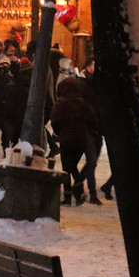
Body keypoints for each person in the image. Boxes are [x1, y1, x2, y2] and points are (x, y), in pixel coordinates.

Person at [52, 76, 98, 205]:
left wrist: (59, 133)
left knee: (67, 167)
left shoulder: (60, 103)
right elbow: (92, 120)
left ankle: (68, 197)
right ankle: (78, 188)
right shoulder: (83, 103)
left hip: (66, 139)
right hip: (81, 139)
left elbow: (55, 121)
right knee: (72, 165)